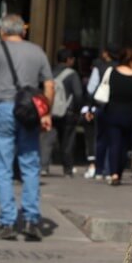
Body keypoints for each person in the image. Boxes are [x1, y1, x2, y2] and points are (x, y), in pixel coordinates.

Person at [0, 14, 55, 241]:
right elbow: (49, 85)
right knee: (30, 164)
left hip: (4, 109)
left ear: (2, 30)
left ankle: (7, 221)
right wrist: (46, 112)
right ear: (23, 31)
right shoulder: (37, 52)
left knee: (3, 167)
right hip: (29, 112)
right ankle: (31, 219)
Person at [99, 47, 132, 186]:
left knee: (114, 144)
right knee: (125, 145)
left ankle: (114, 173)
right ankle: (119, 171)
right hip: (130, 115)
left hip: (112, 112)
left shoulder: (112, 73)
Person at [49, 47, 84, 176]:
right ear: (69, 60)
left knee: (48, 139)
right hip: (68, 112)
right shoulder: (72, 74)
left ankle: (44, 165)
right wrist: (78, 110)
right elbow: (78, 94)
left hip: (50, 111)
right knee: (68, 140)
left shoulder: (50, 72)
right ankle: (67, 168)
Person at [83, 48, 113, 180]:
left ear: (106, 53)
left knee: (100, 139)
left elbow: (91, 88)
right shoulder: (121, 68)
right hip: (116, 107)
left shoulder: (99, 67)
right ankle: (109, 169)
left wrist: (89, 108)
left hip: (101, 106)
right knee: (114, 140)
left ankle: (99, 169)